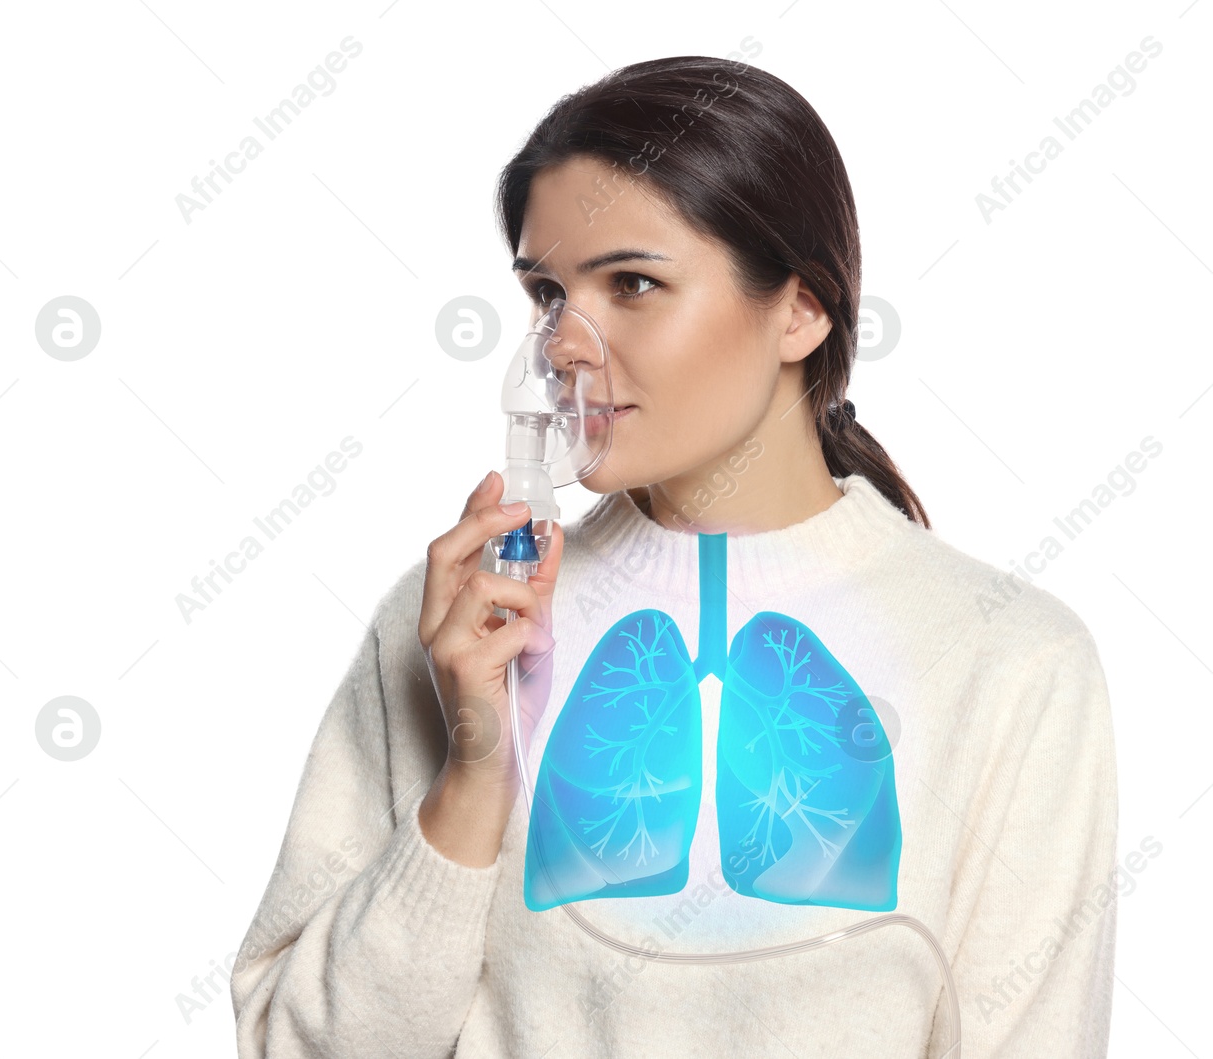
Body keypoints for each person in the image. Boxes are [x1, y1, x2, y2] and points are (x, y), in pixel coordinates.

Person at [230, 54, 1118, 1058]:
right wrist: (471, 783)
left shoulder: (1011, 663)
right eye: (546, 292)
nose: (564, 344)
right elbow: (295, 1046)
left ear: (801, 309)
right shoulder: (455, 628)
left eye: (634, 283)